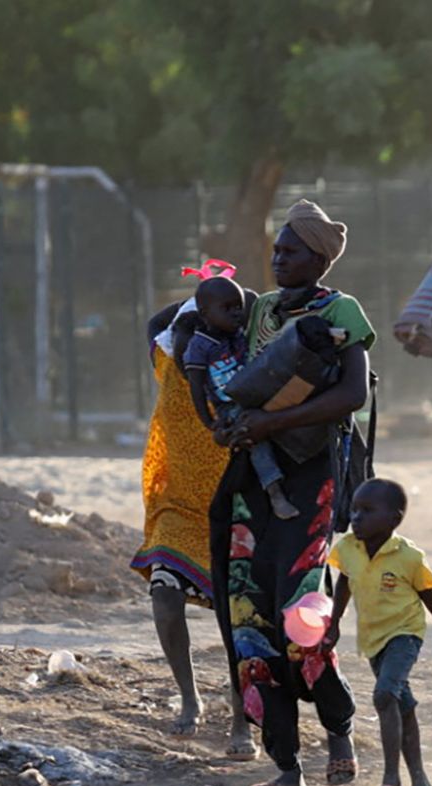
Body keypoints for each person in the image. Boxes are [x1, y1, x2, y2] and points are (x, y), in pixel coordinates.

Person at [210, 199, 373, 786]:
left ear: (320, 258)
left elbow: (352, 394)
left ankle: (339, 730)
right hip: (255, 482)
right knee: (250, 622)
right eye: (276, 251)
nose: (278, 259)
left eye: (291, 251)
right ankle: (286, 767)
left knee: (302, 619)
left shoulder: (341, 311)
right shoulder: (261, 313)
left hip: (312, 480)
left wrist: (270, 426)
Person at [132, 277, 256, 758]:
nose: (186, 346)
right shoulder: (166, 359)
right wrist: (196, 295)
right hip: (176, 504)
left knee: (235, 618)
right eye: (184, 332)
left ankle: (241, 715)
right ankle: (189, 696)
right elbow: (155, 322)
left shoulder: (235, 368)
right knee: (163, 594)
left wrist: (225, 302)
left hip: (231, 504)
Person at [324, 478, 432, 786]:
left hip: (404, 633)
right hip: (373, 639)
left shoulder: (408, 555)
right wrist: (334, 623)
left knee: (384, 696)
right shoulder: (348, 548)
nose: (356, 517)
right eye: (354, 509)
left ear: (393, 519)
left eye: (367, 511)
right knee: (402, 705)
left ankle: (391, 781)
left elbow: (427, 591)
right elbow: (345, 583)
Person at [181, 275, 301, 520]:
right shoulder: (199, 346)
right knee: (254, 437)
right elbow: (196, 387)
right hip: (229, 406)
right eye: (227, 308)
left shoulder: (238, 335)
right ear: (205, 313)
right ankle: (274, 491)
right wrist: (210, 422)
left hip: (256, 393)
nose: (236, 313)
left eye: (238, 307)